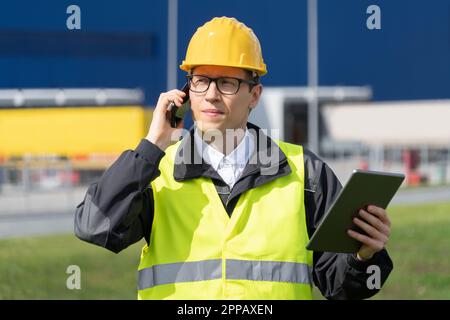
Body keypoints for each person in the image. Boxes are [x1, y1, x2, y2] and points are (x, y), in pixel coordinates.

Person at [75, 16, 393, 300]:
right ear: (186, 92)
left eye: (227, 82)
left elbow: (342, 287)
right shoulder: (156, 171)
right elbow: (95, 226)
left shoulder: (304, 173)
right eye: (201, 81)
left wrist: (364, 257)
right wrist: (151, 145)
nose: (211, 94)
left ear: (254, 95)